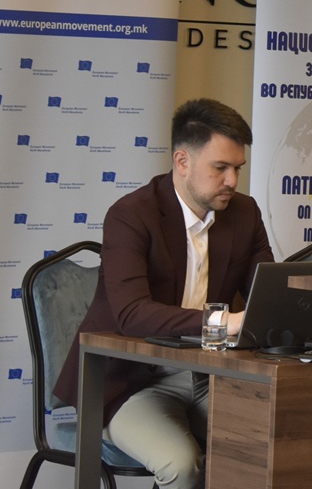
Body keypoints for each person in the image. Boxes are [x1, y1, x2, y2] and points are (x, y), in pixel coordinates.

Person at [53, 98, 273, 489]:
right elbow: (132, 314)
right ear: (182, 161)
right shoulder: (131, 214)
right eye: (220, 168)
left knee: (274, 448)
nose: (232, 181)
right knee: (183, 464)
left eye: (238, 168)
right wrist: (223, 321)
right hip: (130, 381)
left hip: (211, 375)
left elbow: (267, 294)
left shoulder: (244, 213)